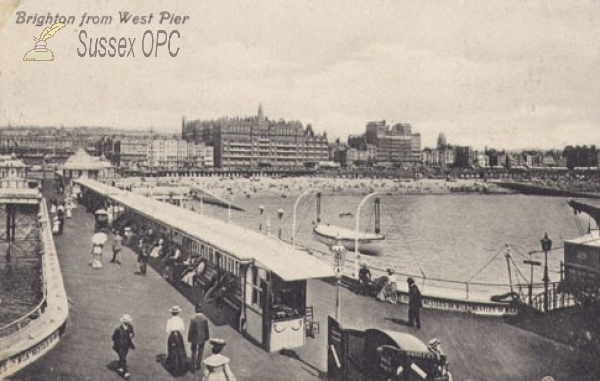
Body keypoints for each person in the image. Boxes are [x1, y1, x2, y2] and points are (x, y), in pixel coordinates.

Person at [112, 314, 135, 379]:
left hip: (126, 346)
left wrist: (131, 335)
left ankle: (120, 367)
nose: (128, 322)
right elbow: (113, 337)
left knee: (123, 357)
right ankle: (126, 372)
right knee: (123, 358)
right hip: (119, 346)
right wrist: (118, 342)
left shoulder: (130, 327)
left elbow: (133, 333)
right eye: (127, 321)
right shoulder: (118, 329)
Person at [188, 303, 210, 372]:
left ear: (196, 309)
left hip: (194, 337)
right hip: (202, 337)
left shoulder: (193, 318)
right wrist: (207, 336)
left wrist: (189, 338)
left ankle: (192, 364)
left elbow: (191, 329)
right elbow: (206, 329)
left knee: (193, 350)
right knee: (201, 351)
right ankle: (198, 364)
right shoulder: (204, 318)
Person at [166, 306, 187, 376]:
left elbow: (167, 330)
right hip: (178, 336)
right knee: (180, 351)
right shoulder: (180, 320)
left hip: (172, 336)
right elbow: (182, 329)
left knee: (172, 351)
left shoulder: (169, 320)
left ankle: (173, 368)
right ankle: (182, 368)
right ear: (178, 313)